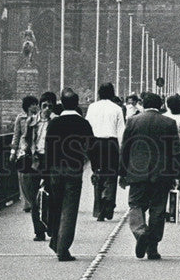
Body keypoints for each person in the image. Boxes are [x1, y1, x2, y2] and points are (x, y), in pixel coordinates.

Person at [119, 91, 180, 260]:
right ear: (160, 105)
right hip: (162, 174)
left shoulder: (133, 121)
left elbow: (125, 149)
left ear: (143, 104)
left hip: (137, 172)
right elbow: (175, 151)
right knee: (158, 209)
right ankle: (153, 248)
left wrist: (122, 173)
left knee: (135, 205)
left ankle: (140, 231)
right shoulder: (169, 123)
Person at [43, 87, 97, 261]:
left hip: (55, 170)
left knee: (57, 207)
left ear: (62, 103)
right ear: (77, 103)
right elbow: (92, 149)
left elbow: (48, 149)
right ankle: (63, 248)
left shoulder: (54, 123)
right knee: (69, 210)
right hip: (73, 170)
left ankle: (55, 241)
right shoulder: (83, 123)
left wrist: (45, 174)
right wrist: (96, 170)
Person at [85, 82, 126, 221]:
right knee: (111, 174)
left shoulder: (92, 107)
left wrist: (88, 147)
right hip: (111, 143)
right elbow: (121, 132)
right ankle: (108, 202)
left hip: (95, 143)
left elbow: (87, 127)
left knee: (98, 173)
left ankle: (98, 208)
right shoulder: (117, 109)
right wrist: (122, 151)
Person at [25, 93, 58, 240]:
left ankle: (50, 225)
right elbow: (24, 139)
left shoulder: (56, 120)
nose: (47, 109)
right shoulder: (32, 121)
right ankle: (38, 230)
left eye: (50, 106)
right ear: (40, 106)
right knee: (35, 197)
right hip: (36, 160)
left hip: (51, 161)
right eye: (44, 105)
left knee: (52, 194)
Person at [9, 95, 38, 211]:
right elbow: (16, 135)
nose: (36, 106)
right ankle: (26, 203)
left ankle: (34, 200)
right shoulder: (20, 119)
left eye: (36, 104)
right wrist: (13, 151)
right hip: (22, 149)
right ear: (28, 106)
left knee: (34, 175)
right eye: (33, 104)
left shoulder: (39, 118)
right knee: (22, 175)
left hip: (35, 148)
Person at [164, 94, 180, 212]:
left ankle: (166, 205)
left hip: (164, 153)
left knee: (165, 179)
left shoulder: (163, 117)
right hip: (177, 153)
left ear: (167, 105)